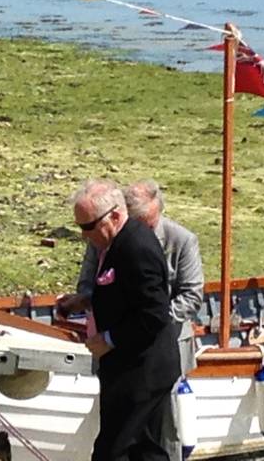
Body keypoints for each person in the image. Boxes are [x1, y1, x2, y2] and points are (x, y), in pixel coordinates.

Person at [59, 179, 204, 461]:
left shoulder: (136, 247)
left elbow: (154, 314)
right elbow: (124, 295)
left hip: (143, 370)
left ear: (114, 215)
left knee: (113, 452)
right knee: (144, 451)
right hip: (131, 367)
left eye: (88, 227)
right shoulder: (114, 241)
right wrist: (85, 300)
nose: (83, 235)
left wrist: (109, 339)